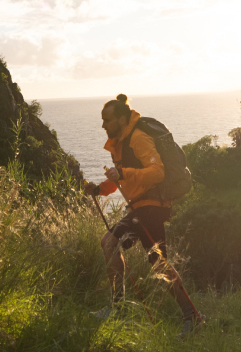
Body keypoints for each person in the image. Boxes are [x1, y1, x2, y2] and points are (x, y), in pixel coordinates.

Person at [82, 94, 205, 334]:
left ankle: (123, 309)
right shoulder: (119, 143)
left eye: (107, 120)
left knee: (115, 245)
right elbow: (121, 177)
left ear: (120, 119)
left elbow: (157, 172)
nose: (103, 125)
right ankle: (190, 315)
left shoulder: (138, 138)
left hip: (151, 206)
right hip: (141, 207)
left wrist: (124, 174)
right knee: (154, 262)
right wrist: (98, 189)